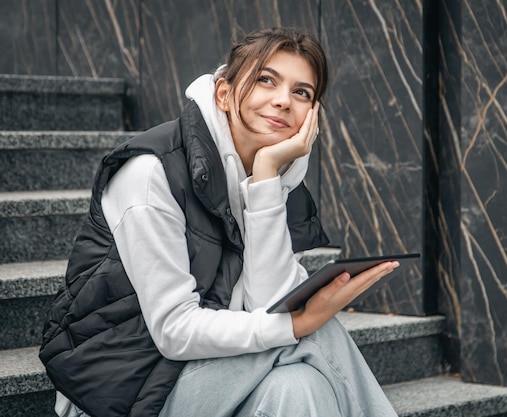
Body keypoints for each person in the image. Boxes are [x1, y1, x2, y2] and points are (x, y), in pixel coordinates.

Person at [39, 27, 399, 417]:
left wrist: (265, 178)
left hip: (210, 375)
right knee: (313, 333)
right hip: (127, 388)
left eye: (302, 93)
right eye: (266, 80)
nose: (283, 101)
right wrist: (298, 324)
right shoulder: (151, 172)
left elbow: (267, 303)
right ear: (224, 94)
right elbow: (175, 332)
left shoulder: (271, 178)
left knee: (299, 388)